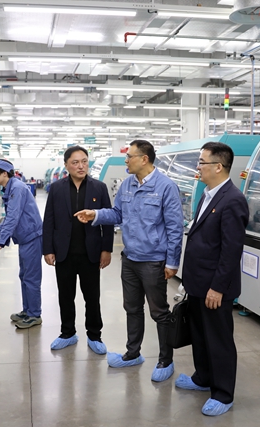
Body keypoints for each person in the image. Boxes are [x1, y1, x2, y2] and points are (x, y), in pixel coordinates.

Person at [75, 140, 183, 382]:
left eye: (129, 156)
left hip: (153, 260)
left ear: (144, 159)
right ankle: (133, 353)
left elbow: (175, 228)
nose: (125, 160)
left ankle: (166, 359)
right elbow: (118, 214)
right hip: (130, 258)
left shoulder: (166, 187)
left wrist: (172, 263)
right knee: (132, 308)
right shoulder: (127, 184)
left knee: (159, 312)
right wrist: (95, 214)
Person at [174, 142, 249, 417]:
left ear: (218, 166)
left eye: (202, 162)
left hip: (215, 287)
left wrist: (217, 288)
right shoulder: (207, 195)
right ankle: (203, 378)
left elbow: (231, 251)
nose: (198, 167)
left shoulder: (233, 200)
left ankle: (223, 393)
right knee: (200, 336)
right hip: (197, 282)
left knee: (218, 341)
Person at [43, 146, 114, 354]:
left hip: (90, 253)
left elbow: (108, 220)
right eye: (75, 162)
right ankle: (67, 333)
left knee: (92, 297)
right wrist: (47, 249)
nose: (81, 166)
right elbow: (49, 220)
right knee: (65, 296)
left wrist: (106, 249)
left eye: (84, 161)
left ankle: (95, 335)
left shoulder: (99, 188)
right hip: (64, 252)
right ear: (66, 165)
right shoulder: (56, 188)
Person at [0, 159, 43, 329]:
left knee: (31, 278)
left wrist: (0, 243)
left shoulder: (17, 188)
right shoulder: (10, 188)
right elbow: (9, 217)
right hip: (25, 239)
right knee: (24, 276)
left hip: (32, 238)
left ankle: (34, 314)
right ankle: (27, 310)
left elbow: (13, 217)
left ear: (4, 173)